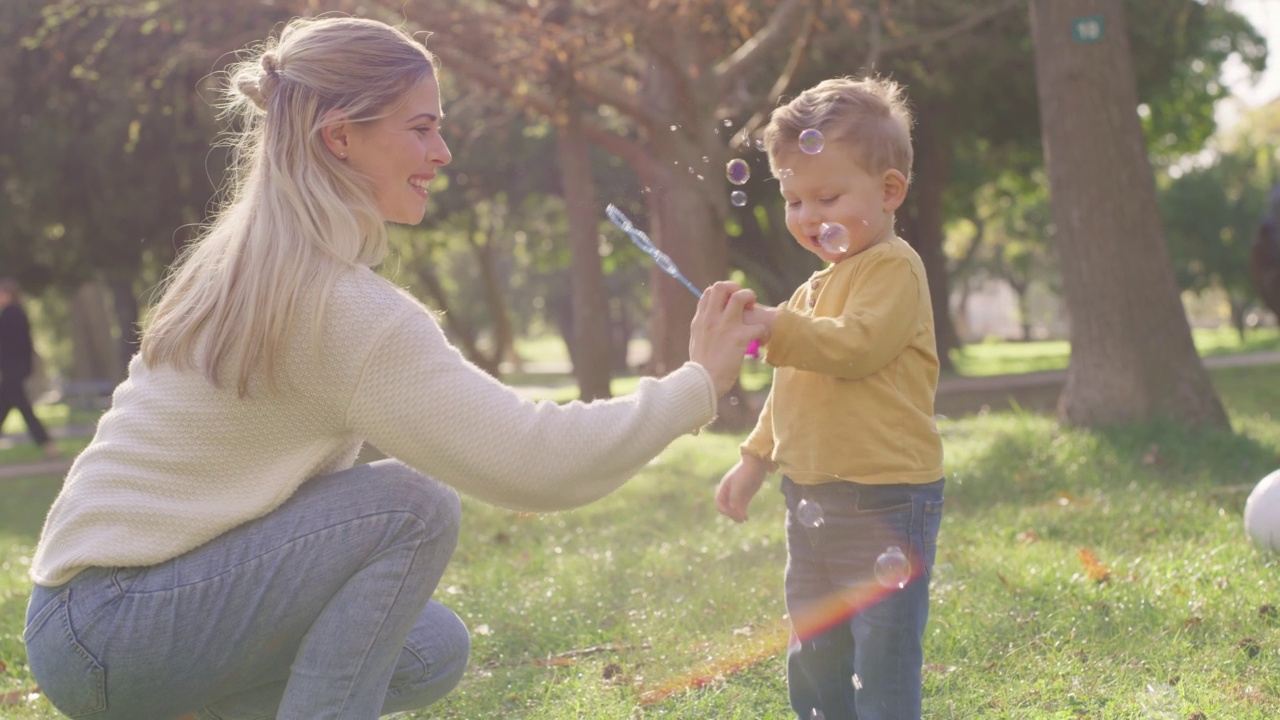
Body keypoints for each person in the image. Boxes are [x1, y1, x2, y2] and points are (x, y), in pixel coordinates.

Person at [23, 16, 763, 720]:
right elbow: (535, 461)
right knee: (411, 505)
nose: (442, 153)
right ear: (341, 137)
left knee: (428, 646)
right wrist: (697, 384)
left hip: (78, 625)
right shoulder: (342, 310)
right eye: (421, 128)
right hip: (119, 625)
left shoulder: (245, 266)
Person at [714, 77, 945, 720]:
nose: (808, 216)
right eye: (792, 200)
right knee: (813, 644)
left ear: (890, 190)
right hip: (810, 498)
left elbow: (855, 348)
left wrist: (778, 328)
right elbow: (793, 386)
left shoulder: (893, 268)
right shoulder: (815, 287)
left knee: (882, 651)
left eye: (827, 196)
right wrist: (755, 460)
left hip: (887, 497)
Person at [0, 278, 58, 460]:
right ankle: (48, 444)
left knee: (22, 408)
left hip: (12, 371)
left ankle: (47, 444)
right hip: (16, 370)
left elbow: (9, 346)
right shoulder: (16, 314)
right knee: (5, 405)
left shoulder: (11, 315)